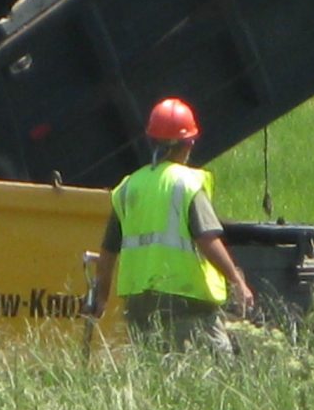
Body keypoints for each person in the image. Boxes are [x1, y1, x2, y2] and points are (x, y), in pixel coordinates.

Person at [83, 97, 256, 354]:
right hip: (186, 302)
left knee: (155, 371)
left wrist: (101, 297)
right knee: (216, 368)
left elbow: (108, 252)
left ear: (152, 141)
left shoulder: (129, 187)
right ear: (187, 143)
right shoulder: (186, 184)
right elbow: (207, 240)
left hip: (140, 305)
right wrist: (237, 281)